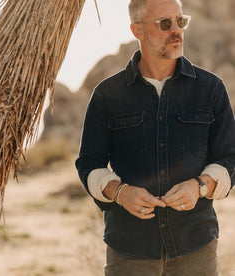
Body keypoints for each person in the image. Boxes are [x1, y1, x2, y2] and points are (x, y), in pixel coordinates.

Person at [75, 0, 235, 275]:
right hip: (128, 250)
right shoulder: (106, 94)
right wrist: (120, 193)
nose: (176, 30)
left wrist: (200, 186)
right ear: (137, 31)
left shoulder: (211, 89)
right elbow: (89, 164)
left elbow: (230, 157)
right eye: (165, 24)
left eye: (180, 21)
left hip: (196, 249)